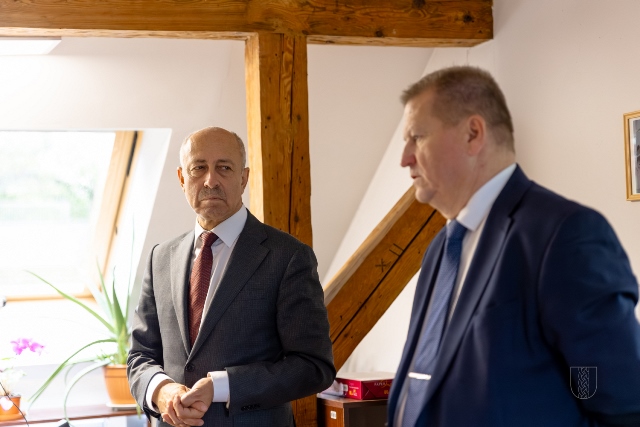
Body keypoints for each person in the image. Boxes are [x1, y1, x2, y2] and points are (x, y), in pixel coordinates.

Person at [388, 66, 640, 427]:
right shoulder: (441, 248)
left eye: (417, 137)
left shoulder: (564, 235)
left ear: (473, 134)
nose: (405, 158)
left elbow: (617, 401)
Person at [127, 127, 335, 427]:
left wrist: (223, 386)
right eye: (198, 168)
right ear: (182, 178)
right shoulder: (160, 257)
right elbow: (140, 356)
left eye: (224, 167)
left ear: (243, 178)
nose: (210, 180)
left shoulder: (289, 257)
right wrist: (161, 390)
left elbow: (313, 367)